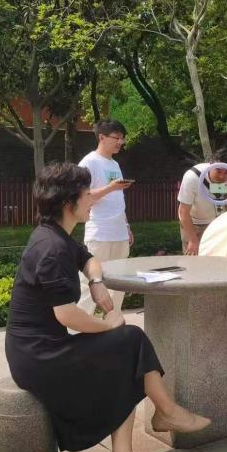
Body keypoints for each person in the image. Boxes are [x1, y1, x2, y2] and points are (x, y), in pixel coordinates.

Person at [6, 163, 211, 452]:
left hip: (42, 348)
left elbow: (88, 258)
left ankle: (136, 446)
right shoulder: (51, 249)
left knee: (127, 347)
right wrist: (108, 325)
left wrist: (97, 282)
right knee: (128, 340)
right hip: (39, 357)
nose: (93, 200)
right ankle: (163, 417)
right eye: (87, 195)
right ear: (68, 203)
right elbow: (66, 315)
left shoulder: (55, 235)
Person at [77, 119, 133, 314]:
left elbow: (118, 198)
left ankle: (112, 323)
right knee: (90, 283)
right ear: (101, 137)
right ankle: (78, 327)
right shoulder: (89, 162)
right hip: (99, 233)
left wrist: (126, 226)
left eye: (122, 138)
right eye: (116, 138)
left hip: (119, 233)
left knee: (119, 284)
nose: (120, 142)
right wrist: (110, 187)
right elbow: (81, 196)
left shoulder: (115, 164)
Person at [177, 148, 227, 255]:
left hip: (216, 224)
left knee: (218, 259)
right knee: (193, 260)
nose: (222, 176)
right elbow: (183, 212)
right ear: (211, 164)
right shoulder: (192, 177)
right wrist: (193, 240)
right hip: (193, 225)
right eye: (218, 171)